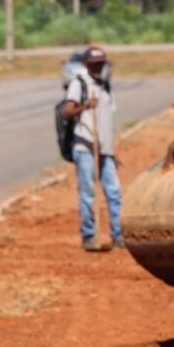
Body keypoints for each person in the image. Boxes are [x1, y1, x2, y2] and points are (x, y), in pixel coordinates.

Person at [64, 44, 122, 252]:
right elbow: (67, 112)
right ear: (86, 64)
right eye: (95, 64)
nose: (98, 68)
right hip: (85, 146)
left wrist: (113, 151)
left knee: (114, 192)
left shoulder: (106, 86)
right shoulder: (79, 84)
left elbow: (108, 121)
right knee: (88, 193)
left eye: (101, 64)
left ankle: (118, 235)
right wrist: (86, 106)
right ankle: (89, 235)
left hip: (105, 149)